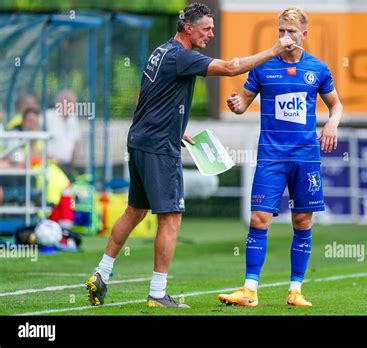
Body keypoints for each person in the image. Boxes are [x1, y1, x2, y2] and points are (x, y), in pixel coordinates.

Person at [85, 2, 295, 308]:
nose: (211, 33)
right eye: (207, 28)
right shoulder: (183, 56)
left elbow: (144, 96)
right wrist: (274, 50)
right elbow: (231, 67)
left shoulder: (161, 51)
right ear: (188, 28)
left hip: (142, 139)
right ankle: (157, 293)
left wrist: (170, 127)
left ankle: (101, 273)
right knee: (171, 218)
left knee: (134, 211)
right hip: (157, 146)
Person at [218, 7, 343, 307]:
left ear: (304, 35)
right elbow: (242, 103)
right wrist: (237, 104)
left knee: (302, 220)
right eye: (281, 32)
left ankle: (295, 290)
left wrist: (332, 123)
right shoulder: (263, 68)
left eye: (291, 32)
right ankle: (249, 290)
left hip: (306, 158)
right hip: (271, 156)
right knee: (259, 218)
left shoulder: (318, 69)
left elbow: (336, 105)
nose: (285, 37)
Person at [45, 90, 81, 179]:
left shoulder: (73, 119)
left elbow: (75, 143)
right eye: (71, 104)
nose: (73, 107)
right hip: (50, 167)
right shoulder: (48, 117)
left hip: (67, 167)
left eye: (74, 104)